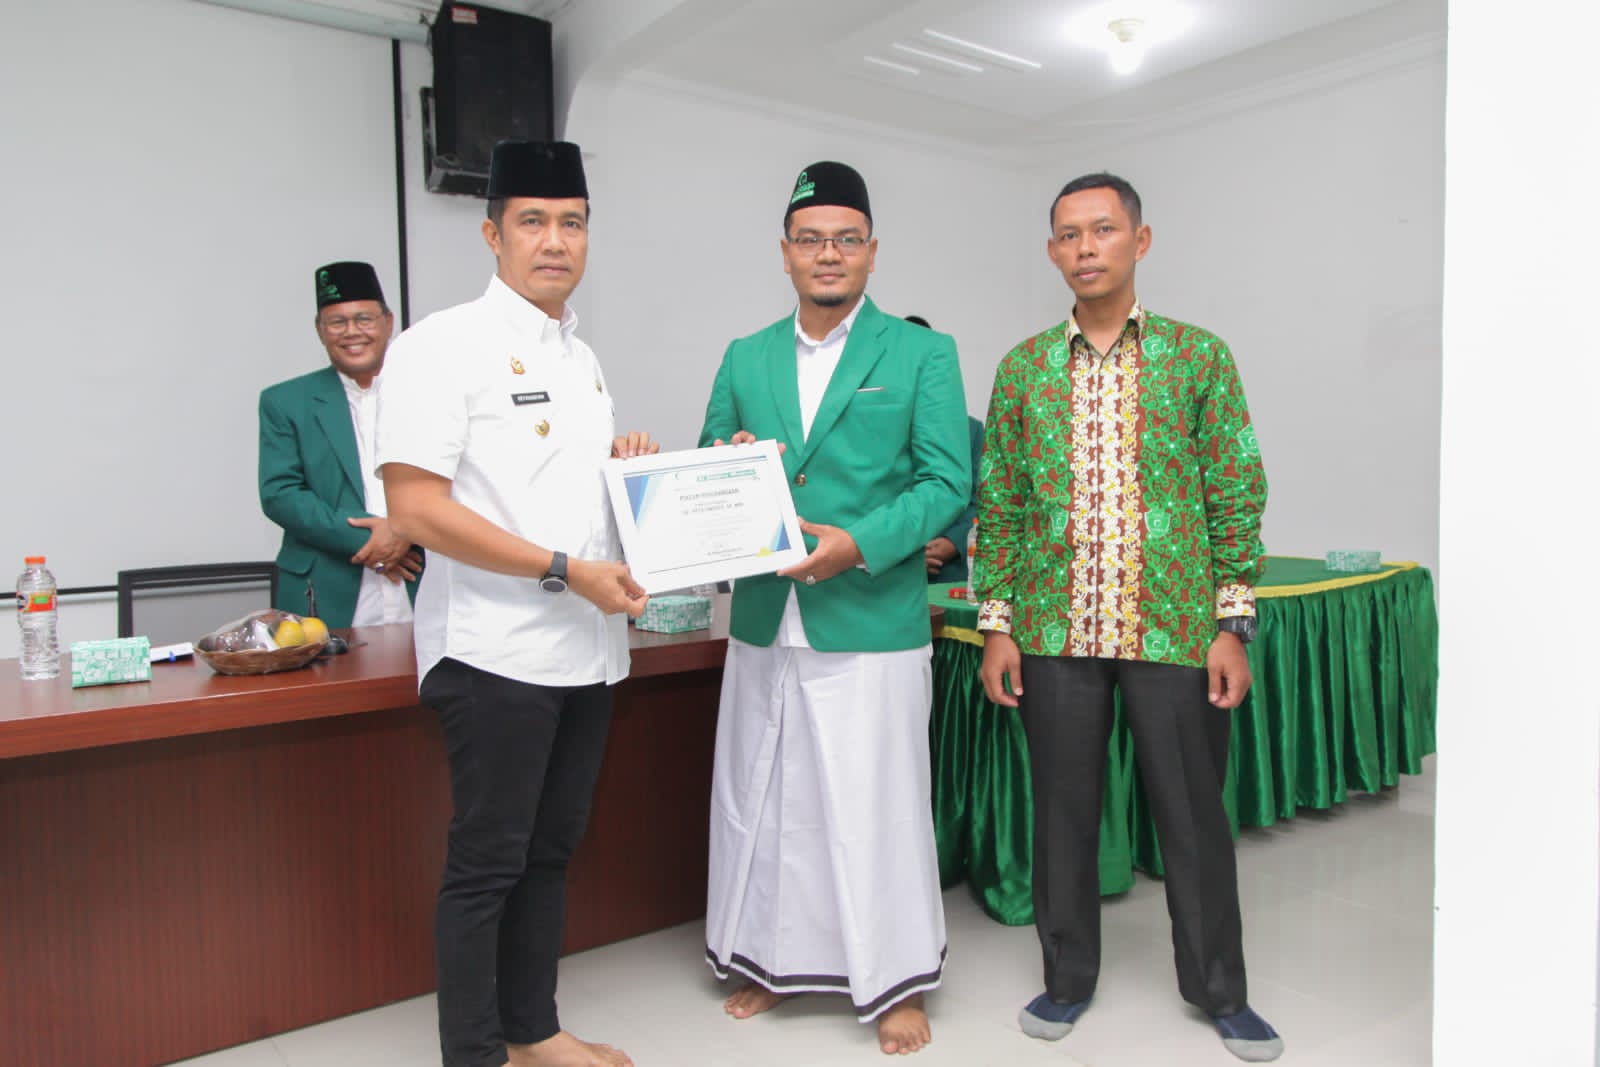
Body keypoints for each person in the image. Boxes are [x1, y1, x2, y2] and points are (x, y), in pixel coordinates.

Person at [973, 172, 1281, 1063]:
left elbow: (1235, 490)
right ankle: (1067, 979)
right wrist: (998, 623)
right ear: (1051, 251)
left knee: (1192, 815)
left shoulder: (1198, 357)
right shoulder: (1024, 368)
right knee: (1062, 814)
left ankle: (1221, 991)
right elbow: (1002, 503)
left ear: (1139, 241)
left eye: (1103, 229)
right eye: (1069, 234)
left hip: (1175, 630)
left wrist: (1231, 623)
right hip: (1054, 631)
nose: (1086, 248)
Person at [377, 140, 655, 1067]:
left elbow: (550, 495)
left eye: (572, 222)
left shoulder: (582, 358)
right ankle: (475, 1054)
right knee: (488, 863)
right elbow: (417, 509)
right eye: (532, 222)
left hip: (586, 649)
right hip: (493, 651)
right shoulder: (439, 345)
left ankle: (533, 1031)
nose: (555, 241)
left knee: (550, 851)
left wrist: (626, 477)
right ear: (493, 235)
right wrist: (565, 568)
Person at [699, 161, 970, 1056]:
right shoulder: (744, 354)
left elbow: (946, 482)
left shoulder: (923, 354)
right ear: (784, 253)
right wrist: (732, 459)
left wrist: (855, 544)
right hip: (764, 618)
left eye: (846, 239)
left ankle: (896, 980)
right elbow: (708, 462)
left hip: (872, 614)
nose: (828, 254)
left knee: (875, 803)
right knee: (769, 795)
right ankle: (769, 960)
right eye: (811, 240)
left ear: (872, 252)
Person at [257, 261, 420, 628]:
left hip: (421, 578)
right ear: (320, 330)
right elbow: (280, 494)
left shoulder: (429, 394)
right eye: (337, 322)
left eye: (364, 319)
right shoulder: (285, 402)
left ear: (388, 322)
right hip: (324, 587)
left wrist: (404, 532)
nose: (352, 332)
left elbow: (463, 481)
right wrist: (372, 541)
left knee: (430, 666)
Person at [904, 317, 984, 585]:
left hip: (951, 573)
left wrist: (954, 542)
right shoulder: (873, 428)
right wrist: (904, 552)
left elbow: (985, 500)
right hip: (887, 573)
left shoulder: (971, 431)